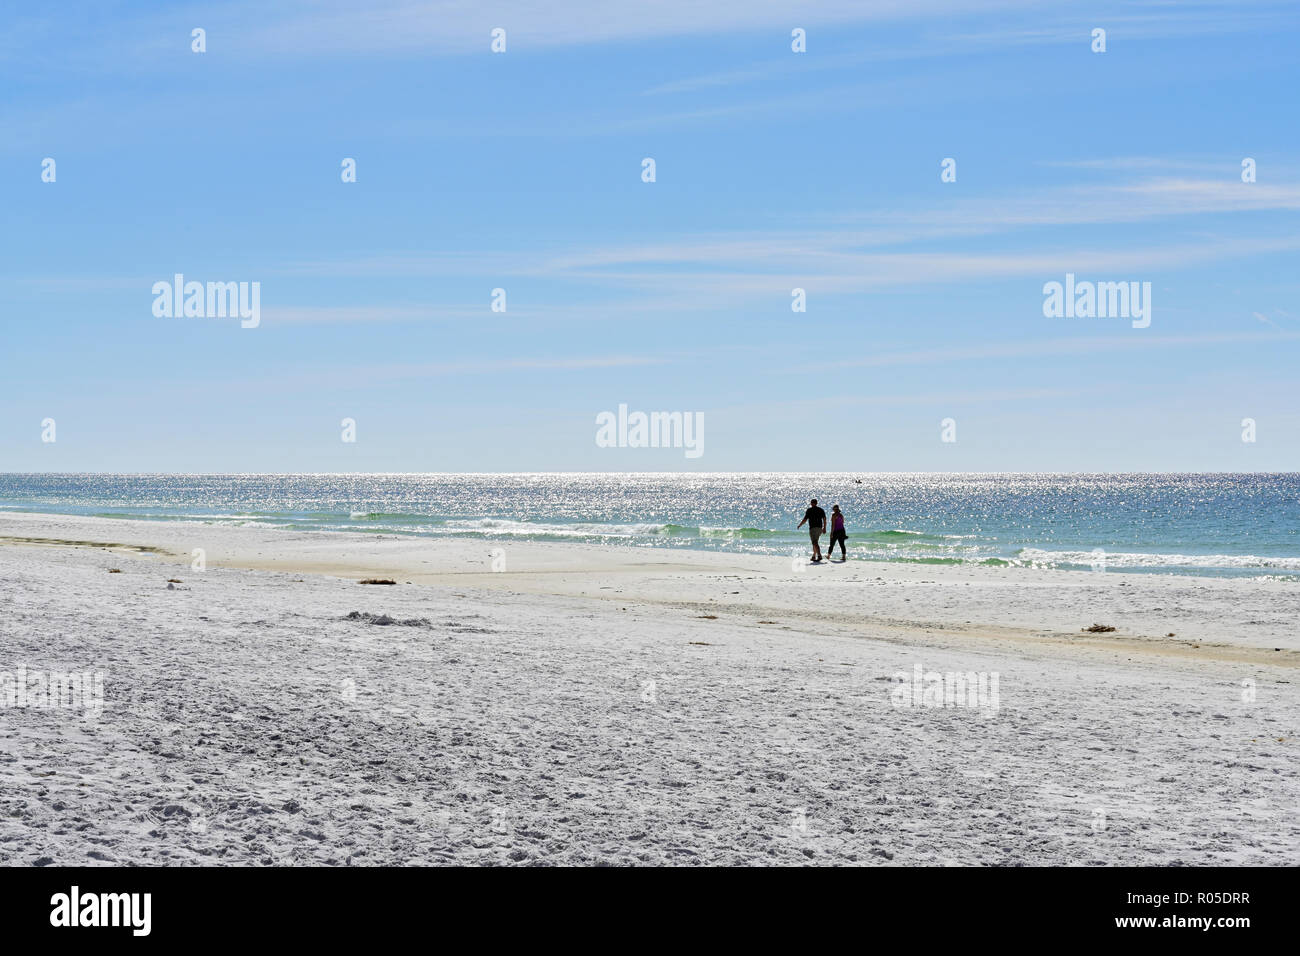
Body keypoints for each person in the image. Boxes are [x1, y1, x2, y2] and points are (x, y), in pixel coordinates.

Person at [797, 497, 826, 562]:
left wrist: (800, 525)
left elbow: (805, 519)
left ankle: (819, 555)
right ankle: (813, 556)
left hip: (813, 528)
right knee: (815, 543)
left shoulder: (809, 510)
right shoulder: (821, 510)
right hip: (819, 528)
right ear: (816, 503)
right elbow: (824, 519)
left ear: (811, 503)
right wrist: (824, 528)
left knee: (814, 542)